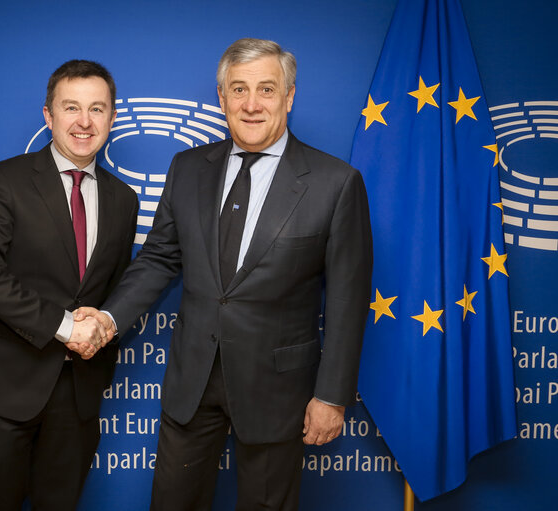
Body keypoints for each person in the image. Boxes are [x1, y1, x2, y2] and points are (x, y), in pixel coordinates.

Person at [77, 38, 372, 510]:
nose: (251, 105)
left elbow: (347, 299)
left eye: (266, 90)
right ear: (222, 98)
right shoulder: (188, 168)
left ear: (290, 96)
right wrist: (109, 320)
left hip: (278, 390)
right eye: (239, 90)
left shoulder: (335, 183)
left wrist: (332, 396)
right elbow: (158, 259)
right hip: (193, 382)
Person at [0, 59, 137, 511]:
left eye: (97, 109)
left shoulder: (123, 200)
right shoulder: (6, 180)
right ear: (49, 116)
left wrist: (103, 325)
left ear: (111, 117)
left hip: (78, 394)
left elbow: (112, 289)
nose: (84, 121)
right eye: (71, 108)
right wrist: (65, 325)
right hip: (3, 386)